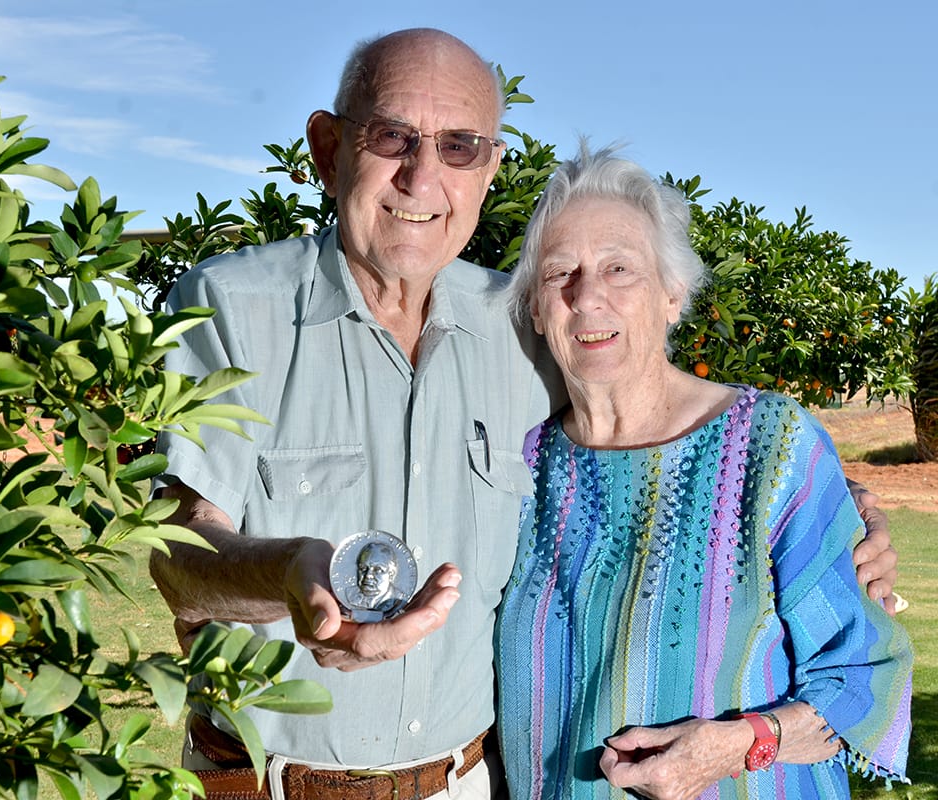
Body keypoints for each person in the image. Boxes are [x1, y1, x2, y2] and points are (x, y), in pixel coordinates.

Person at [148, 28, 900, 800]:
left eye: (460, 146)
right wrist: (281, 574)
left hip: (473, 781)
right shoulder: (230, 309)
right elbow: (176, 550)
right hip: (279, 784)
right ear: (329, 149)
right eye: (392, 136)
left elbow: (672, 420)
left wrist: (840, 513)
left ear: (491, 167)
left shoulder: (512, 327)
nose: (421, 176)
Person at [495, 144, 912, 799]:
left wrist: (741, 745)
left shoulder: (768, 446)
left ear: (672, 293)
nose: (588, 296)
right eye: (559, 273)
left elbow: (863, 670)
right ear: (536, 308)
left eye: (619, 267)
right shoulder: (517, 467)